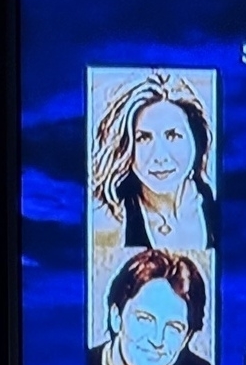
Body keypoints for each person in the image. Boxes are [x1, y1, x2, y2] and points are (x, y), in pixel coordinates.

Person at [91, 70, 219, 251]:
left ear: (196, 138)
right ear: (126, 147)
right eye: (143, 138)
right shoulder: (110, 221)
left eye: (173, 135)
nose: (160, 156)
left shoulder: (217, 204)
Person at [88, 250, 217, 365]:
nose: (157, 340)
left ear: (186, 339)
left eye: (174, 328)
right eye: (145, 320)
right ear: (116, 318)